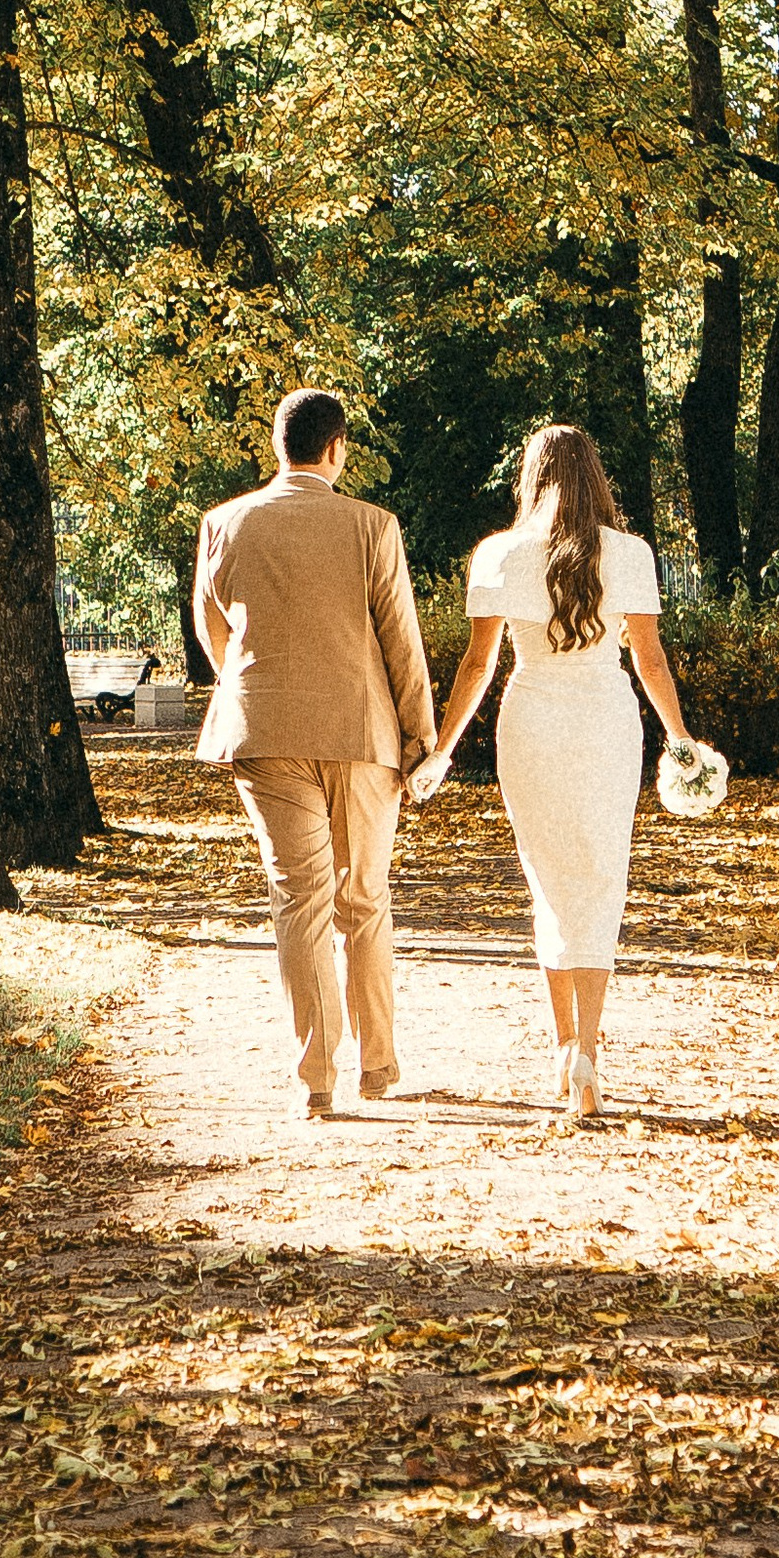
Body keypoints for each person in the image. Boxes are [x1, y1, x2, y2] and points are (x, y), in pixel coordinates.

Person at [412, 422, 696, 1120]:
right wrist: (680, 737)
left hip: (531, 720)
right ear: (595, 476)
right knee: (601, 877)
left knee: (547, 878)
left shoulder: (499, 554)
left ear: (529, 476)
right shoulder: (629, 554)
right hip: (607, 721)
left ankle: (564, 1046)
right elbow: (649, 660)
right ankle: (591, 1053)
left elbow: (479, 666)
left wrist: (443, 749)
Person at [195, 387, 436, 1118]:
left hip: (264, 732)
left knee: (299, 900)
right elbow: (400, 636)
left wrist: (250, 692)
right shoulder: (372, 525)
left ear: (280, 446)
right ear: (337, 450)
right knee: (364, 898)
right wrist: (421, 733)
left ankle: (317, 1079)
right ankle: (379, 1063)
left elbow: (215, 632)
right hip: (363, 733)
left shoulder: (224, 524)